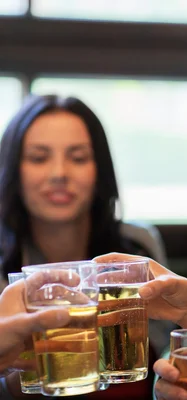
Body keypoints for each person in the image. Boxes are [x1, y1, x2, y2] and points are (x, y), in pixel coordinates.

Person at [0, 95, 168, 399]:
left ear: (99, 170)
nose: (59, 173)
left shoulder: (137, 245)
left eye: (78, 158)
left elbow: (166, 353)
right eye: (39, 158)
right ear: (13, 170)